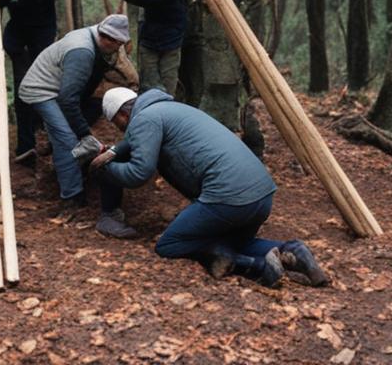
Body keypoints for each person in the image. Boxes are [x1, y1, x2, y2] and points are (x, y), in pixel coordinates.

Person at [92, 87, 329, 288]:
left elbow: (138, 173)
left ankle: (256, 268)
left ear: (123, 115)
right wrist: (114, 151)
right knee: (235, 240)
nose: (123, 131)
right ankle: (292, 251)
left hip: (228, 197)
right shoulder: (172, 109)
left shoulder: (145, 118)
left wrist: (104, 169)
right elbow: (133, 143)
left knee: (168, 245)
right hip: (261, 196)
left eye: (118, 125)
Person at [17, 13, 136, 239]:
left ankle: (72, 178)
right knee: (68, 141)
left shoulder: (93, 34)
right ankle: (72, 199)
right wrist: (85, 135)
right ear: (108, 39)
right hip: (41, 90)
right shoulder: (83, 51)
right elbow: (67, 99)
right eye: (118, 45)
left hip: (55, 88)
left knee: (67, 137)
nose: (118, 49)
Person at [0, 0, 57, 166]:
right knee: (24, 90)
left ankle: (45, 136)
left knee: (44, 90)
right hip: (18, 43)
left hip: (40, 42)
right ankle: (25, 147)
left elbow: (45, 17)